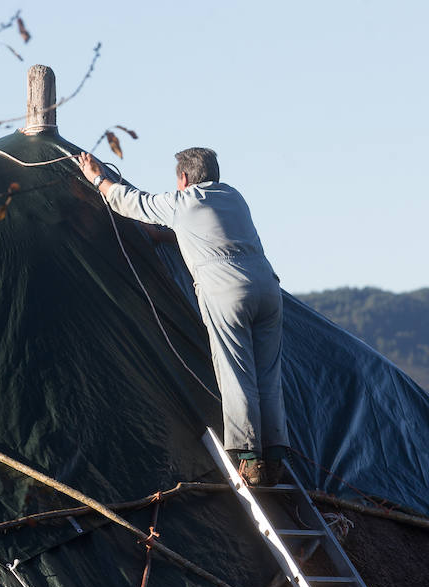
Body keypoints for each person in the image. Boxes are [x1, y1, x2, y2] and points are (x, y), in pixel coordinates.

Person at [77, 147, 287, 487]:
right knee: (268, 375)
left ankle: (249, 460)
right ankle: (275, 455)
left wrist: (97, 177)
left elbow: (131, 202)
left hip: (226, 291)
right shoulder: (234, 198)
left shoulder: (183, 202)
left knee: (237, 372)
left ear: (184, 179)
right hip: (268, 289)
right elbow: (204, 232)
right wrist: (163, 235)